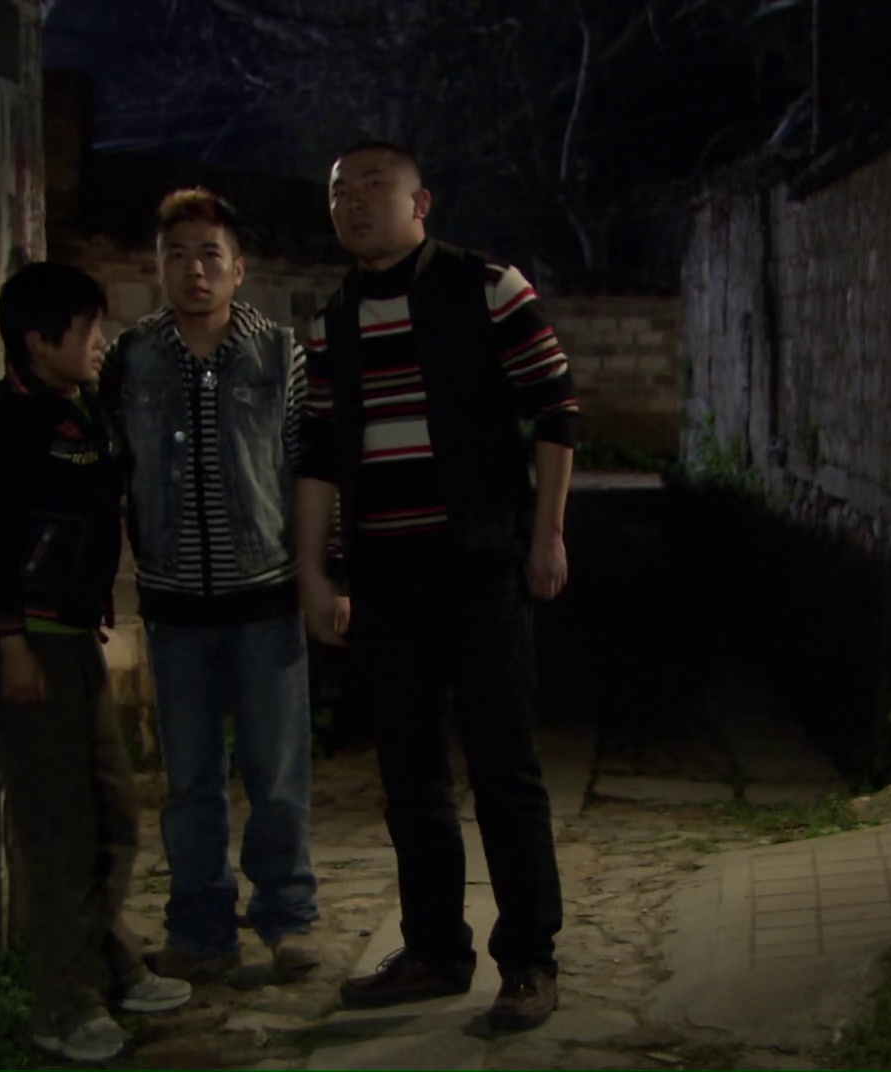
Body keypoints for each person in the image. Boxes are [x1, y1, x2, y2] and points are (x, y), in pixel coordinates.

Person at [295, 142, 578, 1031]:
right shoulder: (331, 322)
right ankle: (433, 950)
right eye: (340, 191)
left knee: (504, 768)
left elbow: (555, 408)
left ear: (421, 203)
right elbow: (318, 454)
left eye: (374, 186)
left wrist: (547, 534)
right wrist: (315, 571)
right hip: (386, 574)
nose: (354, 203)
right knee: (409, 774)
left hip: (480, 560)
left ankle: (528, 959)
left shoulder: (487, 286)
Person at [0, 261, 192, 1063]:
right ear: (37, 340)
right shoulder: (7, 420)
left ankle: (113, 965)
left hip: (75, 638)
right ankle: (63, 1006)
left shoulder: (82, 407)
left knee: (112, 814)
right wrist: (11, 643)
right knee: (58, 831)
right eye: (86, 328)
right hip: (33, 647)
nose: (100, 341)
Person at [99, 188, 322, 985]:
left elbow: (308, 470)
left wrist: (321, 572)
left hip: (265, 598)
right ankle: (200, 930)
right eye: (177, 255)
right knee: (190, 782)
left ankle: (287, 919)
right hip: (174, 607)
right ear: (158, 267)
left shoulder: (279, 354)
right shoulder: (132, 357)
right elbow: (111, 473)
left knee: (277, 775)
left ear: (238, 267)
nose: (194, 270)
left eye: (209, 255)